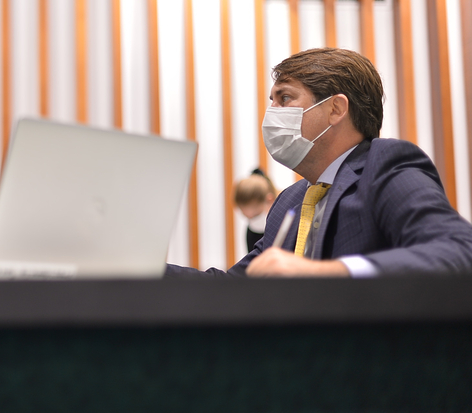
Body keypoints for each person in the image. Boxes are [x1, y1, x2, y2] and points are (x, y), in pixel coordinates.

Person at [169, 47, 472, 277]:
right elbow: (236, 288)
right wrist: (148, 267)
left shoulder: (384, 166)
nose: (272, 112)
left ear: (335, 109)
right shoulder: (290, 200)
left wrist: (328, 274)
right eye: (271, 100)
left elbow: (459, 251)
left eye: (284, 98)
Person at [233, 169, 277, 253]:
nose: (253, 221)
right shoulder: (251, 231)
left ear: (269, 200)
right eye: (248, 218)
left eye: (256, 216)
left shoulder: (285, 222)